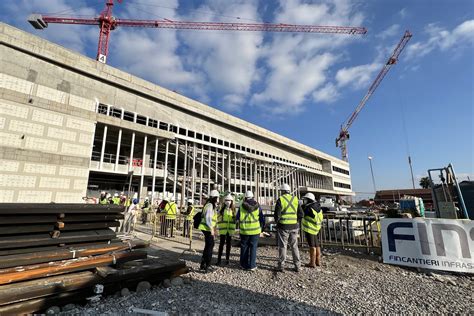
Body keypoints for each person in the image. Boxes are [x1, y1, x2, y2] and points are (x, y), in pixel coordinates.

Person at [274, 183, 304, 273]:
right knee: (294, 246)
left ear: (282, 191)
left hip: (283, 227)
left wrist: (278, 223)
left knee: (283, 246)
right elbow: (301, 214)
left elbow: (277, 215)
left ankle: (281, 265)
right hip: (294, 226)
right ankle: (297, 266)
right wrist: (296, 221)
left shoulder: (281, 200)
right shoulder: (295, 199)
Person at [237, 191, 264, 271]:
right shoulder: (258, 206)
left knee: (244, 247)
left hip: (244, 231)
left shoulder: (242, 206)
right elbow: (262, 218)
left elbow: (237, 218)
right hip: (255, 231)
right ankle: (252, 265)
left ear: (245, 197)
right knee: (253, 248)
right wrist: (262, 228)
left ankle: (243, 264)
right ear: (253, 197)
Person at [198, 190, 219, 272]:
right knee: (210, 246)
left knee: (208, 246)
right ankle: (208, 265)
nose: (218, 199)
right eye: (217, 198)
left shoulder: (208, 204)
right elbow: (208, 218)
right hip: (207, 228)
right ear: (215, 198)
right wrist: (211, 229)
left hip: (206, 228)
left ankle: (203, 264)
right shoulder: (210, 205)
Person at [301, 193, 323, 268]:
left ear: (309, 200)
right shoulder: (317, 206)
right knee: (317, 245)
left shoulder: (308, 208)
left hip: (309, 229)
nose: (304, 201)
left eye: (306, 200)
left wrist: (301, 205)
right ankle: (318, 261)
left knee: (311, 246)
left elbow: (301, 213)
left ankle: (312, 262)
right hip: (316, 229)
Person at [217, 194, 236, 266]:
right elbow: (218, 218)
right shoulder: (221, 210)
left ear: (232, 201)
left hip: (230, 231)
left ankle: (227, 259)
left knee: (228, 245)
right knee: (221, 245)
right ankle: (219, 260)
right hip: (223, 231)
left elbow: (235, 220)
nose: (228, 202)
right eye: (227, 200)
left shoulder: (233, 210)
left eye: (229, 200)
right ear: (224, 201)